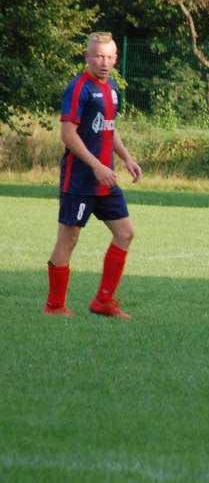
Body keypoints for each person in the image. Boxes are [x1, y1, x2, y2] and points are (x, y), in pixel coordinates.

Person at [43, 32, 142, 319]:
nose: (104, 62)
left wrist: (126, 158)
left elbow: (108, 129)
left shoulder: (111, 87)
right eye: (98, 56)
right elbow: (67, 133)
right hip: (80, 180)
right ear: (87, 57)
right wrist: (96, 165)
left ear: (115, 59)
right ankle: (54, 307)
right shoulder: (79, 88)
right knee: (69, 238)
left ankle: (103, 301)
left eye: (109, 57)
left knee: (125, 233)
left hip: (106, 180)